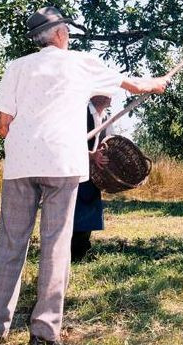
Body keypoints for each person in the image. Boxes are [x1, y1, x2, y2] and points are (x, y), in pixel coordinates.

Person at [0, 6, 168, 345]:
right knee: (56, 245)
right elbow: (133, 84)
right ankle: (44, 333)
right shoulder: (80, 63)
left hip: (20, 167)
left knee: (10, 244)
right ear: (60, 33)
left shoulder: (15, 67)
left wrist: (27, 139)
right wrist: (156, 84)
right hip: (61, 165)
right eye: (67, 31)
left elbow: (3, 126)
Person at [70, 96, 111, 263]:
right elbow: (70, 143)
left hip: (94, 172)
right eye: (107, 92)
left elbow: (108, 142)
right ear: (96, 95)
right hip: (75, 168)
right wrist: (91, 156)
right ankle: (73, 253)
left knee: (88, 212)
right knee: (75, 211)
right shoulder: (80, 113)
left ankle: (82, 250)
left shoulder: (107, 117)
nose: (110, 96)